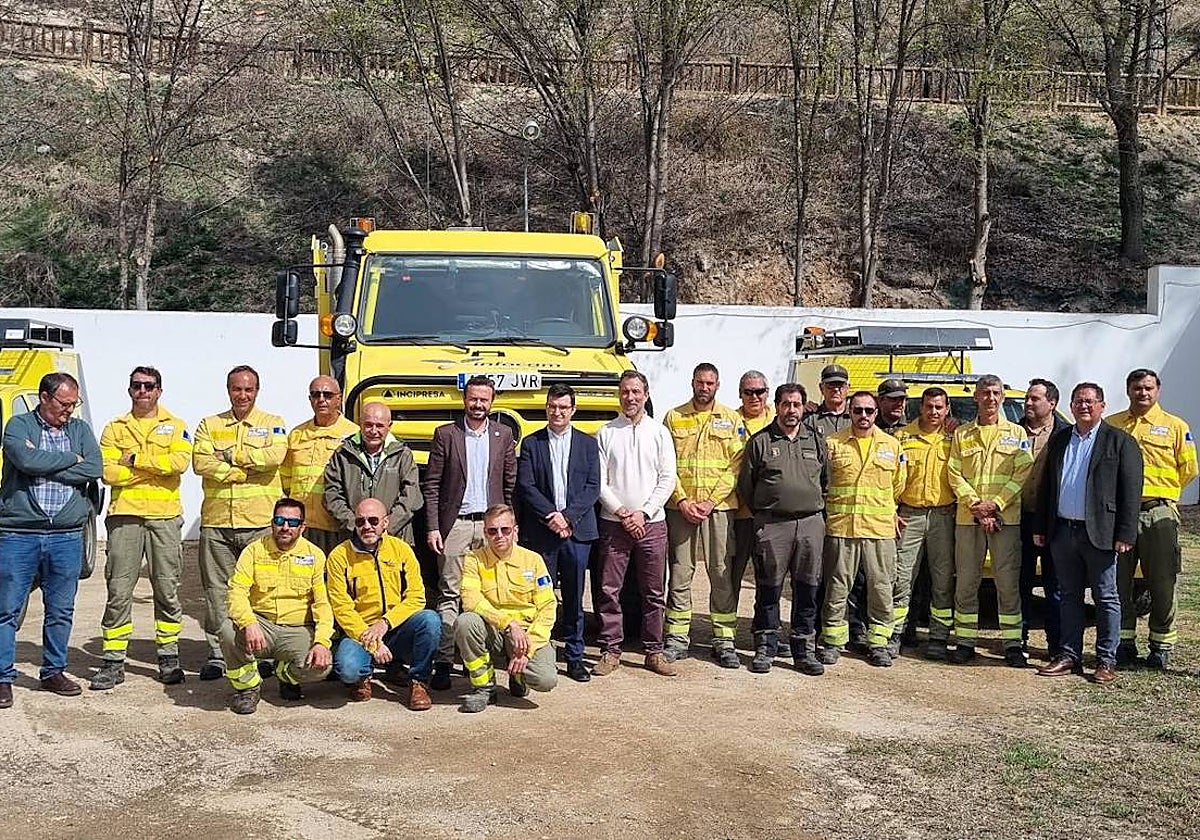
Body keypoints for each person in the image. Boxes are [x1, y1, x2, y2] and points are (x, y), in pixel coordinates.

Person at [0, 372, 102, 709]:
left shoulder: (79, 430)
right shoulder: (18, 426)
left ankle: (53, 671)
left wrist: (46, 465)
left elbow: (94, 467)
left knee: (60, 609)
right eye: (64, 403)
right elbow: (24, 460)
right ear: (44, 397)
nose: (69, 411)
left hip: (66, 536)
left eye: (74, 404)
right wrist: (72, 459)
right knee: (6, 609)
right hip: (19, 534)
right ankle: (3, 678)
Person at [91, 366, 193, 690]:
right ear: (129, 389)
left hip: (163, 517)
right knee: (119, 590)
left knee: (166, 589)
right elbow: (108, 474)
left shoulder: (176, 426)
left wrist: (133, 461)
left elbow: (178, 466)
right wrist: (154, 468)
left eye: (149, 386)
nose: (143, 391)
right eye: (137, 385)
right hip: (125, 517)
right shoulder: (113, 428)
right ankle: (112, 661)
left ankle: (168, 656)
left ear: (159, 390)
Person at [1033, 383, 1142, 684]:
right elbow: (1047, 487)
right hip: (1063, 532)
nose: (1084, 406)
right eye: (1079, 401)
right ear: (1070, 405)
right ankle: (1069, 655)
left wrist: (1125, 534)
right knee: (1068, 595)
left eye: (1090, 402)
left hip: (1101, 534)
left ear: (1102, 406)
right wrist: (1042, 527)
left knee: (1106, 597)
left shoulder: (1120, 442)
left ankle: (1106, 660)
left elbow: (1130, 493)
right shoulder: (1060, 439)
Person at [192, 365, 287, 681]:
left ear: (257, 391)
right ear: (228, 389)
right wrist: (237, 470)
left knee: (261, 592)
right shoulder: (209, 424)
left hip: (259, 521)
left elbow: (274, 457)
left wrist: (230, 454)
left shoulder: (273, 423)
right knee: (217, 592)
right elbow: (200, 462)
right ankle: (219, 654)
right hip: (217, 523)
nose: (242, 395)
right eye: (236, 388)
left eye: (248, 389)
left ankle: (261, 653)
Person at [423, 376, 516, 689]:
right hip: (457, 525)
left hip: (492, 527)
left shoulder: (504, 436)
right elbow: (432, 484)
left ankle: (481, 656)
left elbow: (509, 485)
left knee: (490, 592)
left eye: (484, 400)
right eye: (473, 399)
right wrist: (434, 527)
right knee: (450, 593)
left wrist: (511, 527)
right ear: (465, 399)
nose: (478, 405)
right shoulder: (446, 434)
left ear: (492, 401)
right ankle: (444, 661)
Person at [1106, 368, 1198, 668]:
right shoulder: (1112, 425)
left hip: (1158, 512)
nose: (1142, 393)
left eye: (1148, 388)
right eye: (1136, 388)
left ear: (1157, 390)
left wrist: (1163, 496)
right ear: (1127, 390)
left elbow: (1189, 469)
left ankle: (1160, 645)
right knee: (1119, 582)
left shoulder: (1174, 426)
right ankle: (1123, 642)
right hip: (1120, 515)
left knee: (1162, 581)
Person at [738, 383, 828, 675]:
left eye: (797, 405)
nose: (792, 410)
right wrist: (766, 514)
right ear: (776, 406)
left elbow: (825, 482)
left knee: (807, 588)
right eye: (786, 404)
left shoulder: (815, 440)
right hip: (773, 523)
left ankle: (804, 648)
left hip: (810, 524)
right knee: (768, 588)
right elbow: (747, 487)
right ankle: (765, 645)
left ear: (804, 407)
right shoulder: (761, 441)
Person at [593, 370, 678, 678]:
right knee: (608, 588)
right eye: (625, 392)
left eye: (635, 392)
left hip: (652, 523)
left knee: (654, 590)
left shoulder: (659, 433)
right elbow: (599, 482)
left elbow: (668, 478)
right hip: (614, 523)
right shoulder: (606, 432)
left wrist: (643, 512)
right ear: (620, 395)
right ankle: (611, 649)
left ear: (646, 394)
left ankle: (654, 650)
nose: (630, 397)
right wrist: (623, 512)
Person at [515, 384, 600, 683]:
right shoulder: (531, 443)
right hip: (542, 533)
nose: (558, 412)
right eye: (553, 406)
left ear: (573, 410)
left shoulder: (588, 445)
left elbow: (593, 487)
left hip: (576, 534)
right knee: (539, 596)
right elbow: (526, 486)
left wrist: (568, 518)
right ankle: (539, 652)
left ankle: (575, 656)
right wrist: (552, 516)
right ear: (546, 407)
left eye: (564, 407)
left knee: (575, 597)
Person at [663, 363, 746, 666]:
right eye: (700, 382)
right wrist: (682, 500)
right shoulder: (674, 417)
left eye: (710, 383)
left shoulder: (731, 419)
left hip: (719, 508)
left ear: (718, 385)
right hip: (681, 508)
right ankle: (676, 638)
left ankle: (723, 640)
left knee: (720, 572)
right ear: (692, 383)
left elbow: (736, 465)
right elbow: (665, 463)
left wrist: (710, 501)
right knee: (681, 572)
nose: (704, 387)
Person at [947, 375, 1033, 666]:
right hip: (968, 518)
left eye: (995, 393)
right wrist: (976, 505)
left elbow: (1022, 473)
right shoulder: (962, 434)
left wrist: (994, 505)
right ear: (976, 397)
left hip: (1004, 519)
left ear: (1003, 398)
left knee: (1008, 583)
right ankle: (964, 642)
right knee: (966, 583)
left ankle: (1012, 644)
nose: (990, 398)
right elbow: (954, 473)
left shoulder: (1017, 433)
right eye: (985, 393)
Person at [220, 498, 332, 714]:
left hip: (297, 629)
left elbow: (322, 604)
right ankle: (248, 688)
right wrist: (249, 623)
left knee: (322, 667)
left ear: (302, 527)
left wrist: (322, 642)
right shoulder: (254, 551)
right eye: (279, 520)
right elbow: (236, 592)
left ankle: (285, 674)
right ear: (272, 523)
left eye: (292, 522)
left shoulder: (315, 556)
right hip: (262, 626)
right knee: (226, 630)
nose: (285, 527)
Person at [820, 392, 907, 668]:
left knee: (881, 588)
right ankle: (833, 641)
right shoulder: (832, 444)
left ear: (876, 412)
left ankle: (878, 642)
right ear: (849, 411)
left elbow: (899, 486)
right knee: (836, 588)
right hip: (842, 528)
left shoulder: (892, 446)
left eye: (869, 410)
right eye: (858, 410)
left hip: (879, 531)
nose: (864, 415)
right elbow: (823, 481)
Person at [326, 498, 440, 710]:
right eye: (360, 521)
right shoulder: (339, 556)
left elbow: (417, 596)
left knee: (430, 620)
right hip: (360, 632)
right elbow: (341, 608)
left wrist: (386, 623)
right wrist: (373, 642)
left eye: (373, 520)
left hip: (396, 628)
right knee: (348, 669)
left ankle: (419, 683)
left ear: (385, 522)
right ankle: (363, 676)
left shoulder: (401, 549)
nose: (367, 526)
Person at [455, 504, 558, 712]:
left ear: (515, 531)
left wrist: (527, 651)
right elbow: (471, 600)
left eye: (505, 530)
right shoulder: (474, 559)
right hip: (494, 629)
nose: (499, 536)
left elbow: (547, 607)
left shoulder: (533, 560)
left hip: (526, 634)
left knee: (546, 680)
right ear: (485, 532)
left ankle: (518, 674)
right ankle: (484, 687)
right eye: (492, 531)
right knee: (465, 622)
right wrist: (508, 623)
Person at [892, 387, 957, 660]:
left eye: (939, 407)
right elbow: (890, 478)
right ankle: (894, 633)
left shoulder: (955, 438)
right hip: (910, 514)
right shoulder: (902, 437)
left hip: (944, 515)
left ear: (947, 409)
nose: (934, 412)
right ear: (921, 407)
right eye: (929, 406)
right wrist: (892, 509)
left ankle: (939, 637)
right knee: (901, 577)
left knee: (942, 581)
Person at [1018, 378, 1068, 658]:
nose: (1028, 403)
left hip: (1052, 522)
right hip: (1018, 519)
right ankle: (1019, 640)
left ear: (1052, 403)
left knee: (1055, 586)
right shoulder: (1012, 432)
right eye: (1027, 397)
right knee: (1020, 583)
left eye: (1035, 399)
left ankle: (1056, 645)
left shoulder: (1065, 435)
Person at [324, 400, 422, 544]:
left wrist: (385, 528)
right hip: (353, 539)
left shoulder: (403, 455)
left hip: (395, 539)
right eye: (368, 425)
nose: (373, 431)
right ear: (360, 423)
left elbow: (411, 497)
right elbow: (331, 495)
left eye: (380, 426)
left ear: (389, 427)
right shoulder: (343, 454)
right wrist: (358, 526)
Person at [281, 376, 358, 555]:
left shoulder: (352, 434)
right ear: (310, 399)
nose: (321, 399)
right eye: (316, 395)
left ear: (339, 398)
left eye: (327, 395)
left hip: (335, 524)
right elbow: (285, 476)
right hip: (302, 524)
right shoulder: (297, 433)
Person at [732, 371, 774, 598]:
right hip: (739, 512)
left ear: (767, 393)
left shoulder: (778, 419)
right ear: (740, 394)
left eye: (759, 391)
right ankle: (726, 627)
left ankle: (763, 626)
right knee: (732, 573)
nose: (754, 397)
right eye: (748, 392)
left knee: (767, 574)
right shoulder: (729, 420)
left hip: (770, 514)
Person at [806, 364, 851, 437]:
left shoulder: (857, 416)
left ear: (848, 388)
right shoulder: (810, 419)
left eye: (840, 385)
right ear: (821, 388)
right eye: (831, 385)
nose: (836, 389)